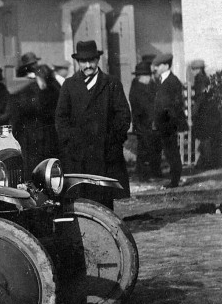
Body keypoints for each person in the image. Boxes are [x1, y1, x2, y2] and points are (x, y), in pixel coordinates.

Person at [55, 40, 131, 206]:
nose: (88, 65)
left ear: (97, 60)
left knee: (104, 199)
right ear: (78, 62)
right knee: (80, 200)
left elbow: (123, 115)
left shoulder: (111, 83)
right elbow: (61, 118)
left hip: (105, 153)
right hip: (78, 155)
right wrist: (71, 141)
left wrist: (113, 140)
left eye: (91, 60)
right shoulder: (69, 85)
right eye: (83, 61)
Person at [10, 64, 60, 173]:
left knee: (49, 166)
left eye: (46, 80)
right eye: (41, 79)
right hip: (31, 137)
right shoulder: (27, 92)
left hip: (48, 136)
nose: (43, 83)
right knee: (33, 167)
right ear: (36, 77)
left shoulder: (54, 90)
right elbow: (18, 115)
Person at [151, 53, 186, 188]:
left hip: (168, 122)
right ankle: (174, 179)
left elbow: (172, 105)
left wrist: (165, 120)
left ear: (166, 66)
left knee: (171, 150)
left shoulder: (172, 81)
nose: (155, 68)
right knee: (169, 150)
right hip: (164, 121)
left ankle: (175, 180)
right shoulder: (164, 80)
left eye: (158, 65)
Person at [129, 59, 162, 180]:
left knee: (155, 147)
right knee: (144, 149)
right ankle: (143, 174)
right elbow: (141, 107)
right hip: (143, 123)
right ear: (141, 77)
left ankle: (155, 171)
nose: (150, 78)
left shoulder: (151, 85)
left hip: (152, 122)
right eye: (147, 76)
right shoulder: (137, 88)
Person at [189, 59, 221, 170]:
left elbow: (201, 98)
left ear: (198, 70)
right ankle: (206, 162)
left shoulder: (200, 80)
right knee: (206, 137)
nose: (192, 72)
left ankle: (207, 163)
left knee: (205, 137)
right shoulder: (205, 79)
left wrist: (193, 112)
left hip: (204, 113)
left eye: (193, 69)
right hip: (208, 112)